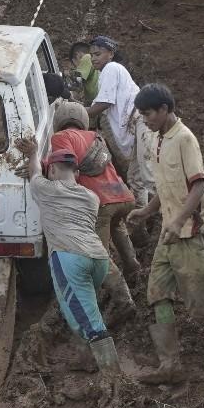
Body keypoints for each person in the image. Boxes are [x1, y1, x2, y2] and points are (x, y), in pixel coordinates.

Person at [129, 84, 204, 384]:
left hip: (190, 230)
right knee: (157, 294)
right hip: (169, 232)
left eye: (148, 113)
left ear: (165, 109)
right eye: (142, 114)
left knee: (203, 296)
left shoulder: (184, 139)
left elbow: (198, 186)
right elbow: (165, 186)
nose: (144, 119)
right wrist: (148, 211)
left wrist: (178, 219)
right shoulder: (156, 139)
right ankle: (170, 363)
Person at [15, 135, 121, 375]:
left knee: (88, 323)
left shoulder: (44, 188)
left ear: (51, 170)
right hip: (99, 259)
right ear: (76, 173)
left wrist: (33, 155)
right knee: (88, 308)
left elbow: (33, 173)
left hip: (68, 257)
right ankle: (88, 360)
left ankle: (115, 379)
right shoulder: (91, 198)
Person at [51, 101, 141, 319]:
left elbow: (65, 164)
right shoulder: (96, 137)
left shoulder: (61, 138)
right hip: (122, 196)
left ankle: (122, 298)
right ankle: (135, 271)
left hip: (99, 203)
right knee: (117, 227)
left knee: (97, 255)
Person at [85, 36, 154, 213]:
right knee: (141, 175)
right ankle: (151, 214)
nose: (93, 58)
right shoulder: (108, 74)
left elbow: (103, 104)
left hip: (141, 124)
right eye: (91, 55)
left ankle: (143, 219)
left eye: (98, 54)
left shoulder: (111, 68)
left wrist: (76, 112)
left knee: (139, 177)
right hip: (140, 124)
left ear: (111, 53)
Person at [68, 41, 99, 108]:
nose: (77, 68)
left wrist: (68, 74)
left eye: (74, 64)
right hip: (95, 103)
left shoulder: (87, 57)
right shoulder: (93, 61)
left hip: (96, 103)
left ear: (78, 55)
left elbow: (77, 83)